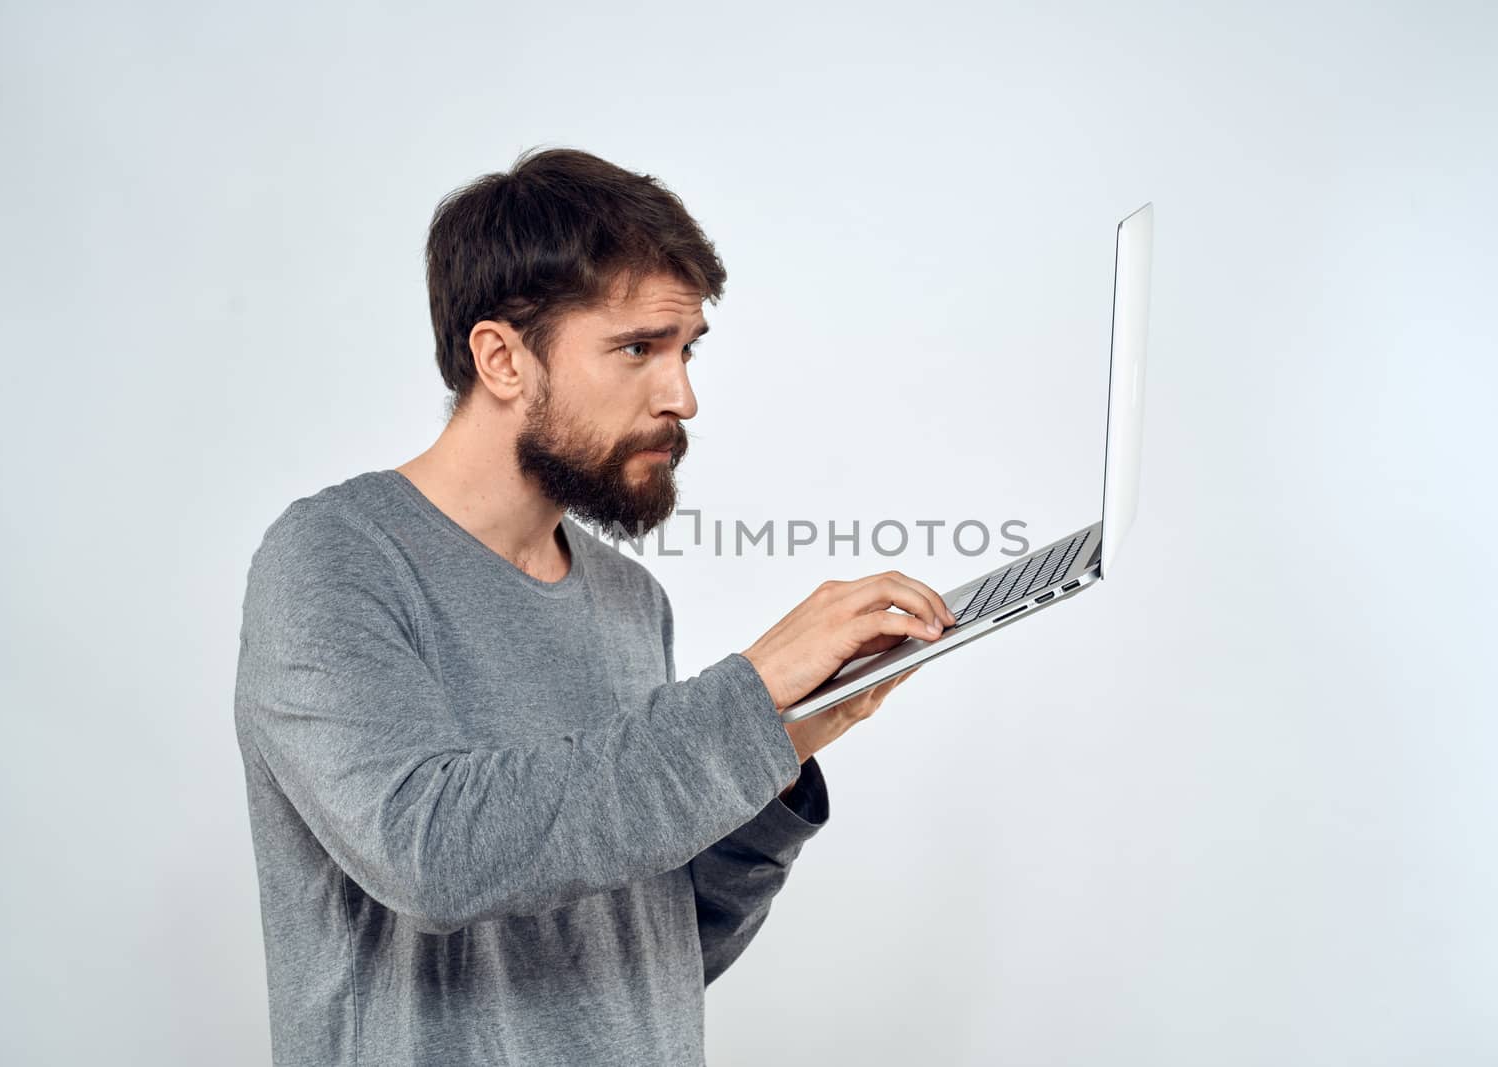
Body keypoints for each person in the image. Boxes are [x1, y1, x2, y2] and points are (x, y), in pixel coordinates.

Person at [233, 147, 956, 1066]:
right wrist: (747, 695)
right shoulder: (335, 558)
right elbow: (430, 852)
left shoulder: (629, 599)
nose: (683, 395)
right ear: (501, 358)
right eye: (637, 348)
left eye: (686, 349)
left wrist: (779, 754)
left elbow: (647, 952)